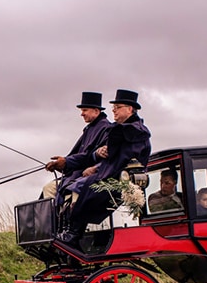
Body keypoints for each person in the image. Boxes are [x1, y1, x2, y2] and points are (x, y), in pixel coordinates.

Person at [56, 89, 152, 246]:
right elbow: (111, 156)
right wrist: (100, 153)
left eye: (118, 107)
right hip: (107, 173)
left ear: (130, 109)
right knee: (77, 185)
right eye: (113, 107)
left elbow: (128, 161)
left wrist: (99, 169)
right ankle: (66, 230)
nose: (114, 110)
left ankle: (74, 234)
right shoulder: (120, 129)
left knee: (84, 187)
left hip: (120, 179)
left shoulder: (136, 132)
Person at [42, 92, 111, 203]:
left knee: (69, 190)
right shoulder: (89, 129)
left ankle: (66, 213)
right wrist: (59, 165)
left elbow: (88, 157)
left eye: (85, 110)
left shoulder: (105, 128)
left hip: (88, 176)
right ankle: (55, 213)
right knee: (48, 188)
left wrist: (66, 162)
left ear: (96, 111)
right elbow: (77, 156)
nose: (82, 114)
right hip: (76, 175)